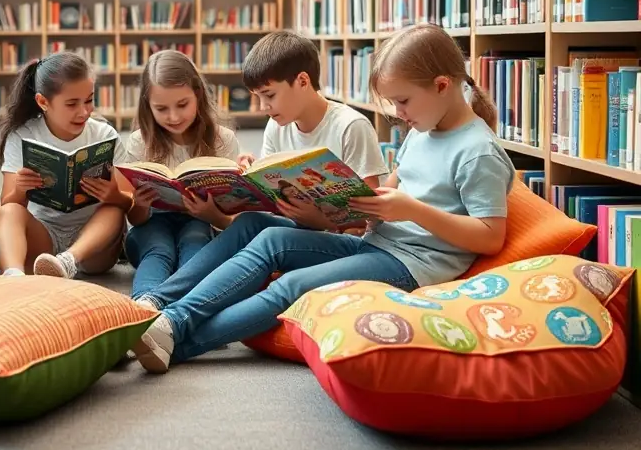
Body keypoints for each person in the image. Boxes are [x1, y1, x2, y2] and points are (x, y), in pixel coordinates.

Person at [133, 23, 515, 372]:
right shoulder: (423, 129)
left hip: (413, 265)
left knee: (293, 286)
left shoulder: (478, 151)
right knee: (269, 239)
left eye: (403, 101)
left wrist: (410, 210)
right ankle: (168, 316)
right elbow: (394, 186)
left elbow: (489, 235)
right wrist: (370, 201)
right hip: (377, 242)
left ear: (442, 86)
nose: (398, 114)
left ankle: (175, 336)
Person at [133, 30, 387, 311]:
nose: (263, 107)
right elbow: (269, 203)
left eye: (269, 96)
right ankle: (157, 300)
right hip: (297, 227)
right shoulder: (277, 126)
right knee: (249, 222)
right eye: (258, 97)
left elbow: (370, 218)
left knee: (263, 237)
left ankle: (173, 305)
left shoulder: (351, 126)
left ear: (303, 81)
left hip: (338, 239)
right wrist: (249, 182)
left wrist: (321, 220)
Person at [0, 52, 131, 278]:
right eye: (72, 104)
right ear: (42, 102)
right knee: (10, 211)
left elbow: (129, 201)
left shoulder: (104, 134)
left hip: (93, 246)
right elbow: (8, 205)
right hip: (44, 235)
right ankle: (13, 276)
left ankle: (68, 261)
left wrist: (114, 195)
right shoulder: (23, 135)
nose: (84, 112)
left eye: (89, 100)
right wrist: (20, 188)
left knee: (114, 210)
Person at [123, 50, 240, 300]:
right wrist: (140, 204)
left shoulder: (223, 140)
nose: (173, 117)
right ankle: (145, 307)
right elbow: (135, 218)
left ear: (197, 94)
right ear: (147, 106)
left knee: (196, 240)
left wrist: (211, 213)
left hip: (201, 222)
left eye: (182, 105)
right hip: (150, 225)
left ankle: (187, 308)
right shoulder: (138, 143)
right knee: (159, 249)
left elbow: (230, 218)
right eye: (161, 108)